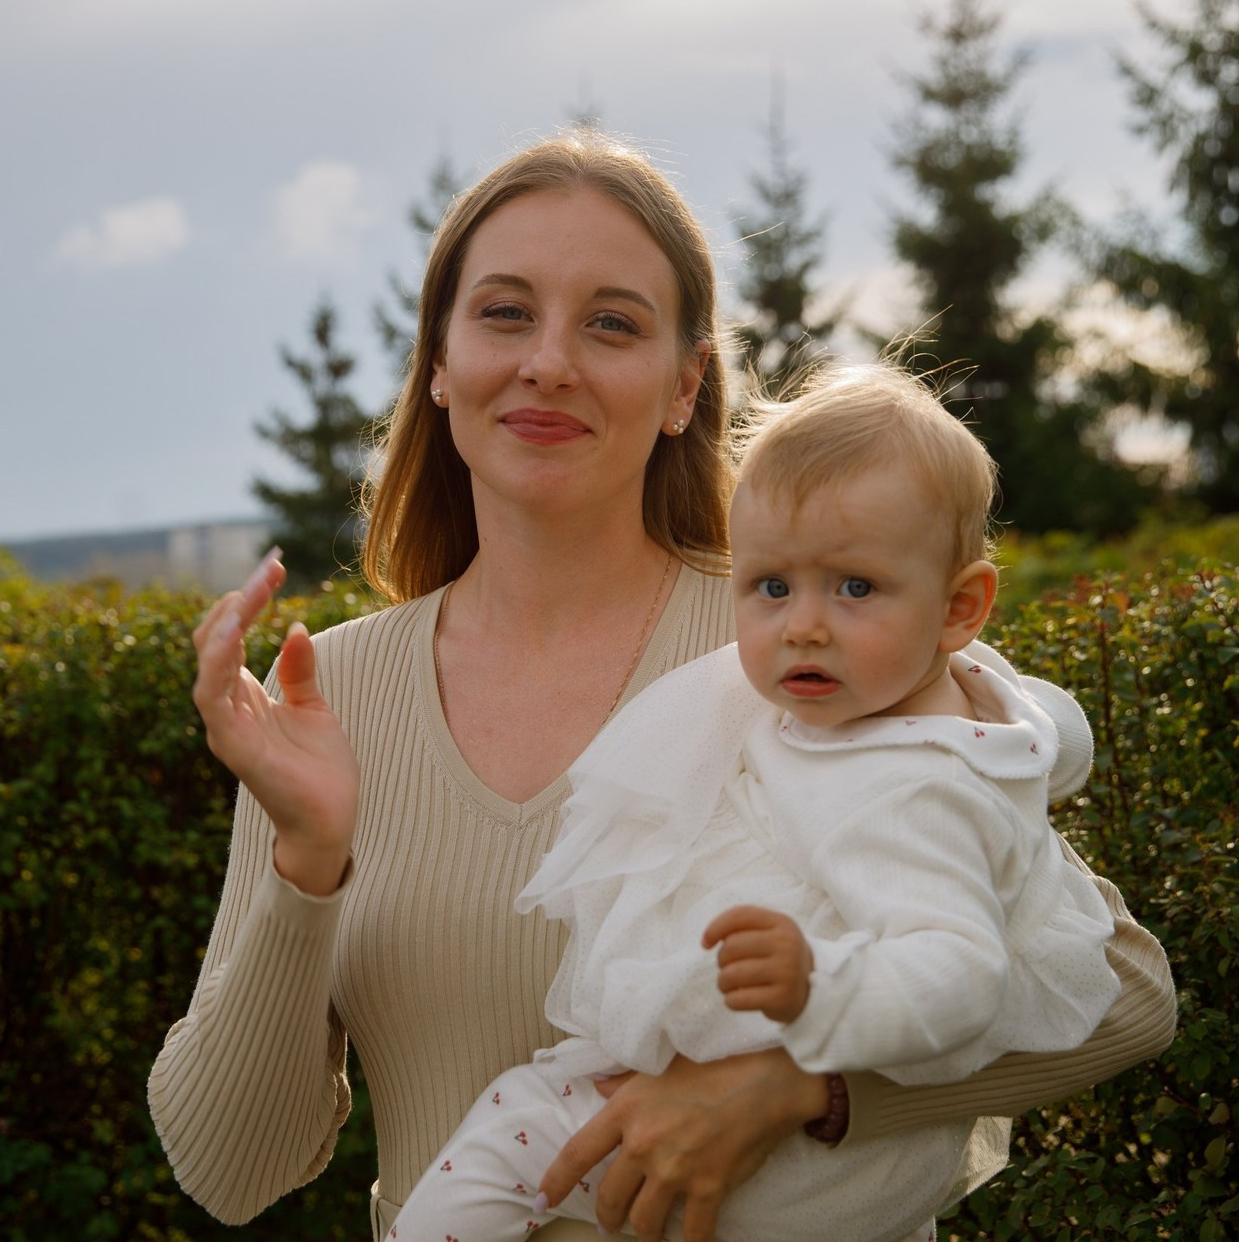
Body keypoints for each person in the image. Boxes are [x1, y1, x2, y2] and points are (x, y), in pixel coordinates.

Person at [147, 129, 1175, 1242]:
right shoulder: (331, 693)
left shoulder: (801, 641)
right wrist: (307, 864)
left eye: (611, 323)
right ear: (438, 361)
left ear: (686, 383)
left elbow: (1122, 991)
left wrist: (803, 1085)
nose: (549, 361)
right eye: (504, 312)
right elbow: (230, 1168)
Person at [385, 363, 1125, 1242]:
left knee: (515, 1133)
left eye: (855, 587)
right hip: (762, 1127)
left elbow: (965, 972)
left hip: (791, 1157)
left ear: (960, 608)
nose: (803, 625)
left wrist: (821, 987)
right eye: (772, 587)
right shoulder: (901, 713)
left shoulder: (919, 787)